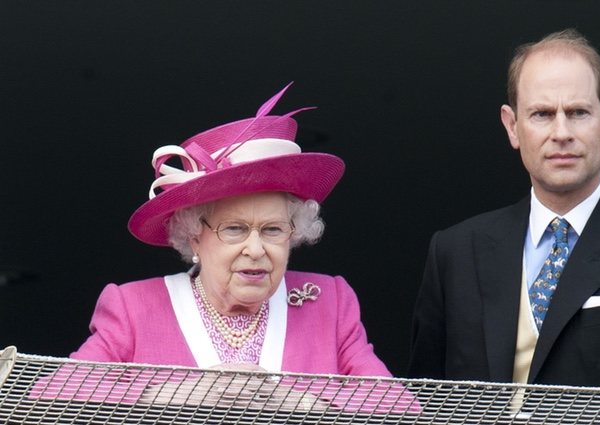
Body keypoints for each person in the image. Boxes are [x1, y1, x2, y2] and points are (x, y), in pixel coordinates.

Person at [408, 29, 600, 393]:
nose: (561, 132)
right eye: (542, 114)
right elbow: (424, 401)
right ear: (512, 126)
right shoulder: (454, 252)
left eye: (577, 112)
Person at [71, 83, 390, 377]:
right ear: (194, 234)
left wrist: (304, 405)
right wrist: (169, 395)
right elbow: (50, 401)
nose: (255, 249)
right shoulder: (133, 308)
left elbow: (402, 411)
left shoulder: (329, 304)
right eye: (235, 229)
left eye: (273, 230)